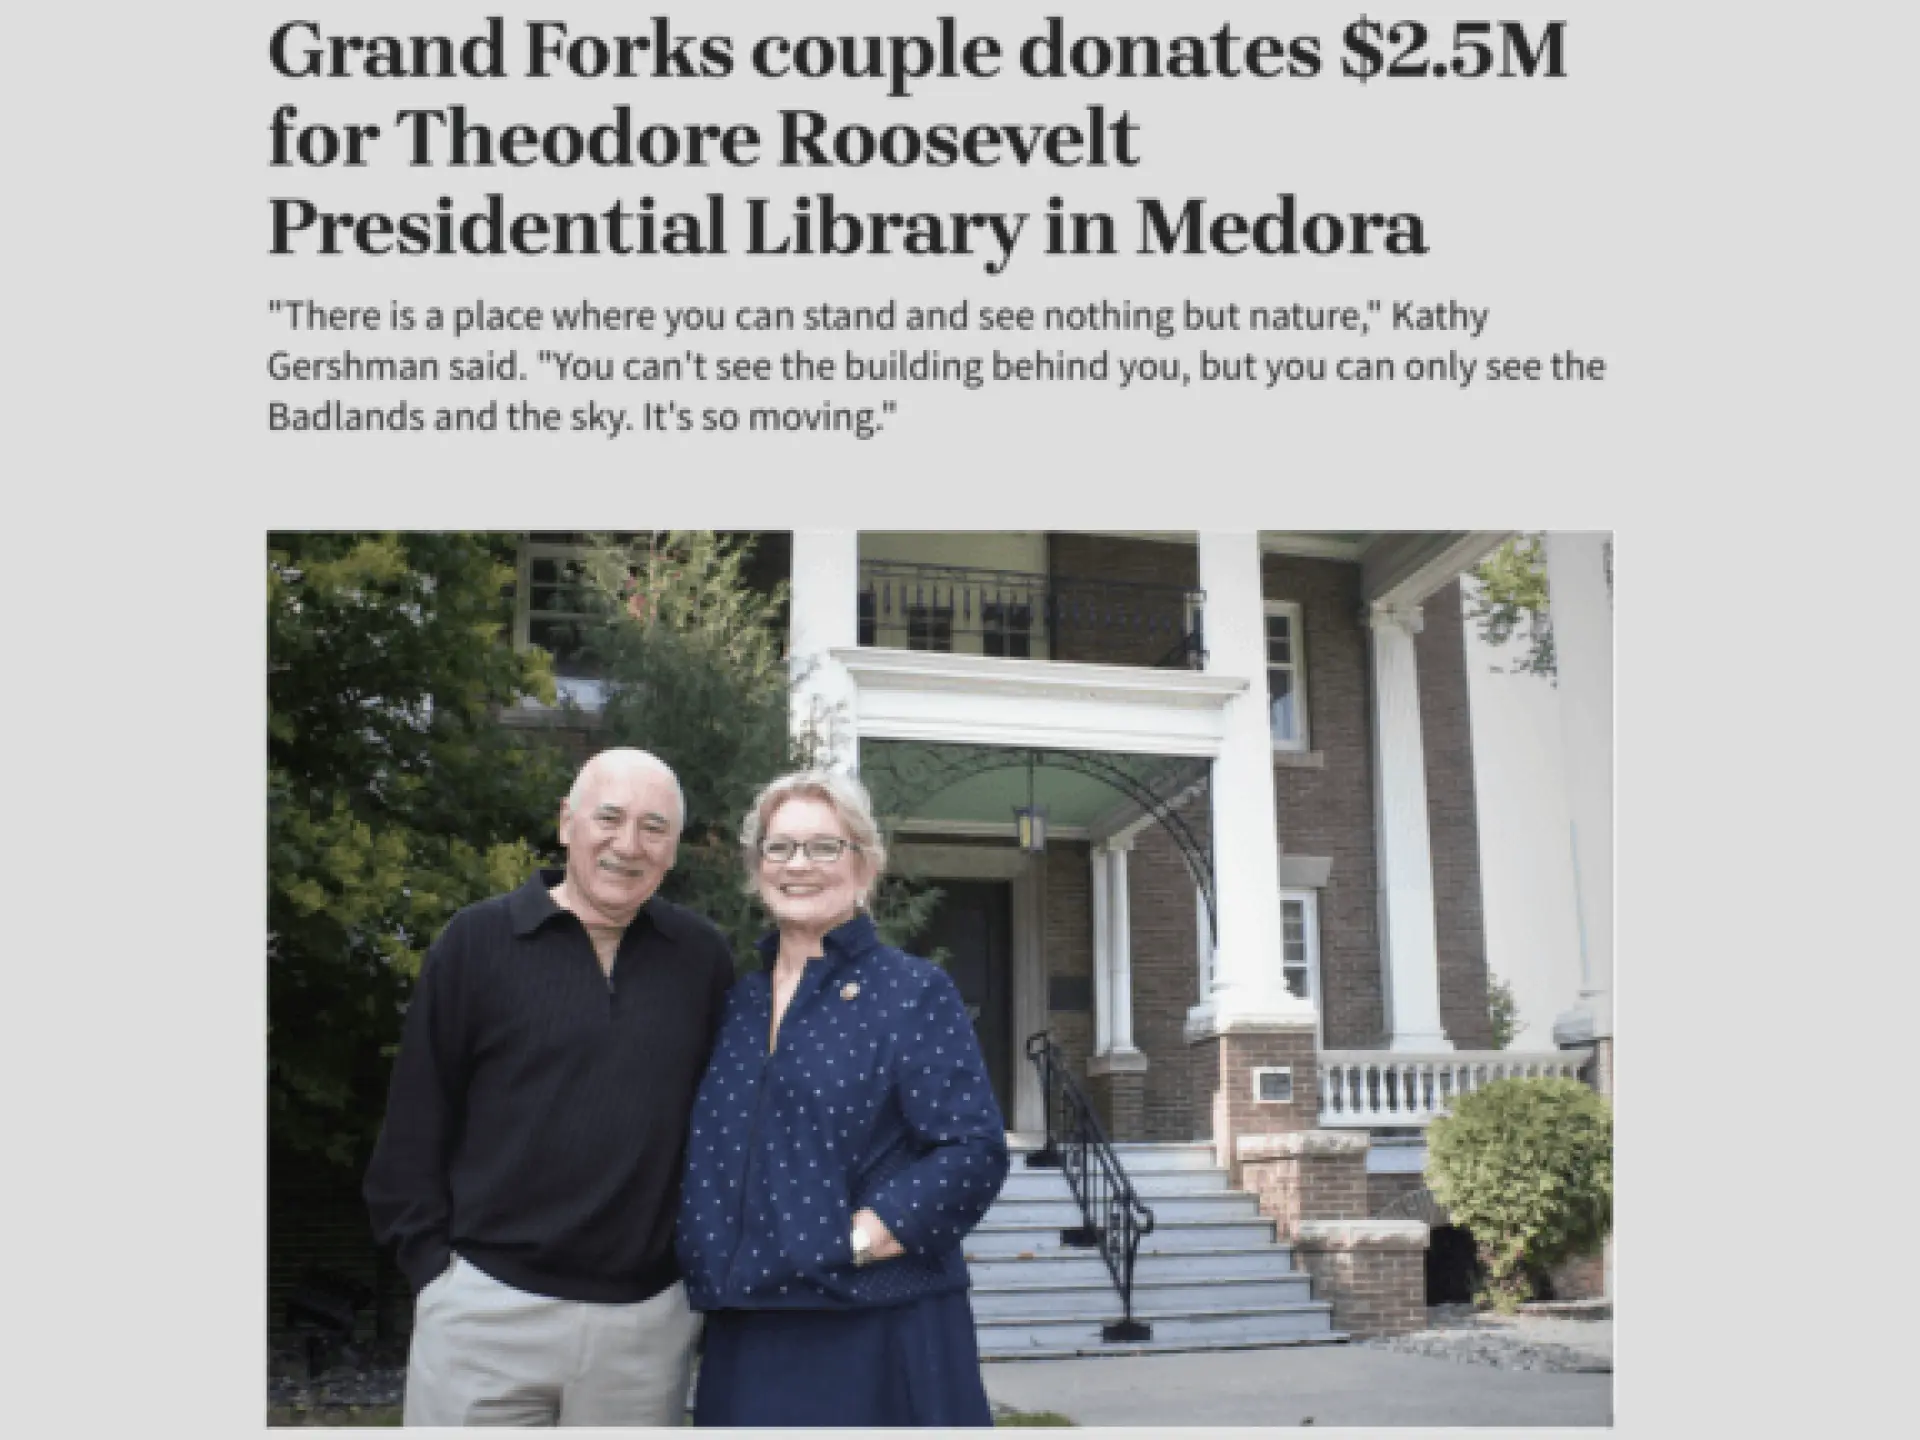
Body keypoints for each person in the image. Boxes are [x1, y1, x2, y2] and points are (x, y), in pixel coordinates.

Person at [364, 747, 736, 1426]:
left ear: (674, 850)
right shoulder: (476, 942)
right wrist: (433, 1273)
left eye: (654, 828)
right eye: (611, 818)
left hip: (645, 1328)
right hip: (485, 1312)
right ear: (567, 822)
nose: (628, 845)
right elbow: (416, 1120)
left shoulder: (703, 959)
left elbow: (727, 1127)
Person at [677, 769, 1010, 1428]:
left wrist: (851, 1241)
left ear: (864, 870)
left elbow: (972, 1152)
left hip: (878, 1327)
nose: (799, 865)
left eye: (824, 847)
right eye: (779, 848)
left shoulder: (912, 992)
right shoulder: (735, 1006)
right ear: (757, 869)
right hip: (747, 1334)